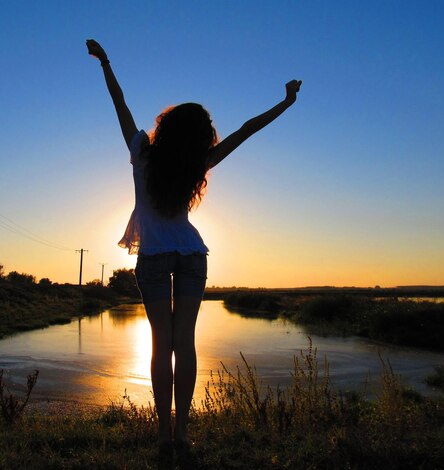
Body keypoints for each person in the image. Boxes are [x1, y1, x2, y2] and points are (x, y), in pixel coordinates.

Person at [86, 39, 301, 455]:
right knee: (184, 343)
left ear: (165, 127)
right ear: (199, 136)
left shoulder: (142, 153)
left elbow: (120, 102)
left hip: (152, 259)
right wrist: (287, 102)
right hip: (191, 255)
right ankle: (183, 433)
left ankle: (164, 433)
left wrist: (105, 61)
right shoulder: (197, 163)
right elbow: (246, 130)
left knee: (160, 344)